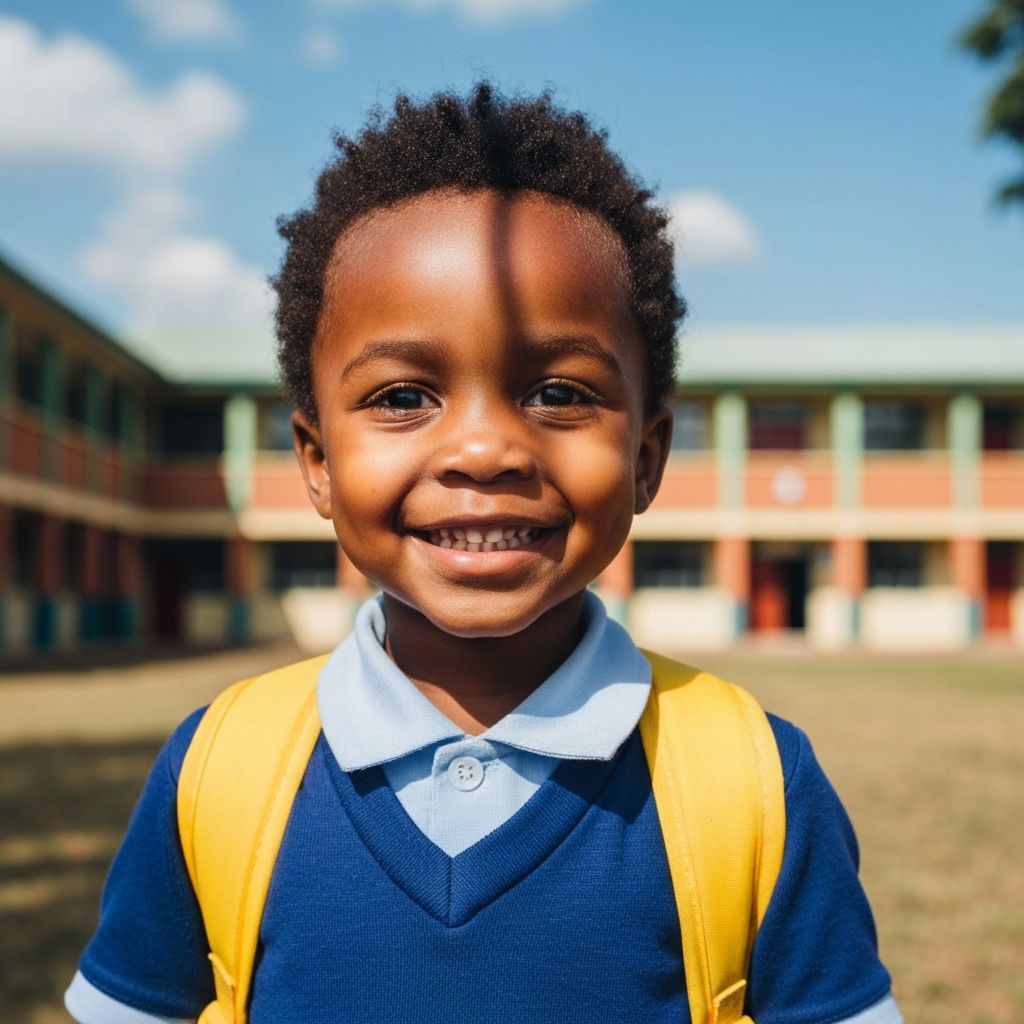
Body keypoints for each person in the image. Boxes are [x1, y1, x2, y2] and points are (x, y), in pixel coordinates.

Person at [65, 84, 902, 1024]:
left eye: (556, 391)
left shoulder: (755, 782)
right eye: (400, 397)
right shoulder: (219, 767)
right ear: (318, 463)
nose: (483, 450)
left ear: (646, 459)